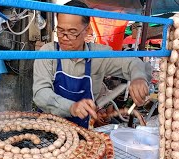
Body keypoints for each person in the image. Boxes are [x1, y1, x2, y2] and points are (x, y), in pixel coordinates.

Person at [33, 0, 152, 128]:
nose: (64, 37)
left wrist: (138, 77)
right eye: (60, 31)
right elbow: (40, 93)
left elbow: (132, 63)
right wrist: (71, 107)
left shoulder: (99, 55)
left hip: (84, 131)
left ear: (87, 29)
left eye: (72, 32)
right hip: (48, 128)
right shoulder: (48, 52)